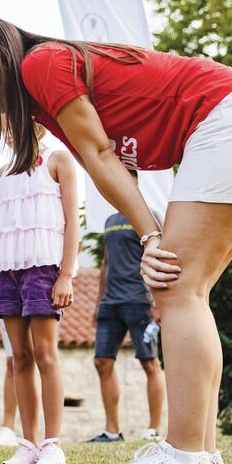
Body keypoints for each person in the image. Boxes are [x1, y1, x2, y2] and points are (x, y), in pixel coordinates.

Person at [0, 18, 232, 464]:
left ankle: (185, 455)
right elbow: (106, 163)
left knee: (176, 291)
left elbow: (97, 155)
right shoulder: (40, 94)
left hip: (228, 118)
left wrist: (151, 236)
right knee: (190, 294)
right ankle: (202, 454)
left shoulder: (41, 63)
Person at [0, 121, 80, 464]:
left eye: (13, 122)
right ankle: (28, 443)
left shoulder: (59, 160)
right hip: (8, 269)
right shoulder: (3, 170)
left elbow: (72, 222)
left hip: (45, 266)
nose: (7, 129)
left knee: (44, 353)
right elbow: (0, 228)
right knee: (19, 356)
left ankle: (53, 444)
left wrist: (66, 274)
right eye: (4, 124)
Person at [88, 186, 166, 444]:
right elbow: (106, 263)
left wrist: (158, 303)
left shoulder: (149, 217)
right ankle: (112, 431)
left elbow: (159, 259)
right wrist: (99, 303)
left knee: (149, 363)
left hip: (139, 301)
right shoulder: (110, 222)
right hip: (111, 302)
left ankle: (153, 429)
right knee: (102, 362)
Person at [0, 319, 22, 446]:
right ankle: (8, 429)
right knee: (13, 360)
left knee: (40, 357)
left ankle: (42, 436)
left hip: (38, 301)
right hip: (10, 301)